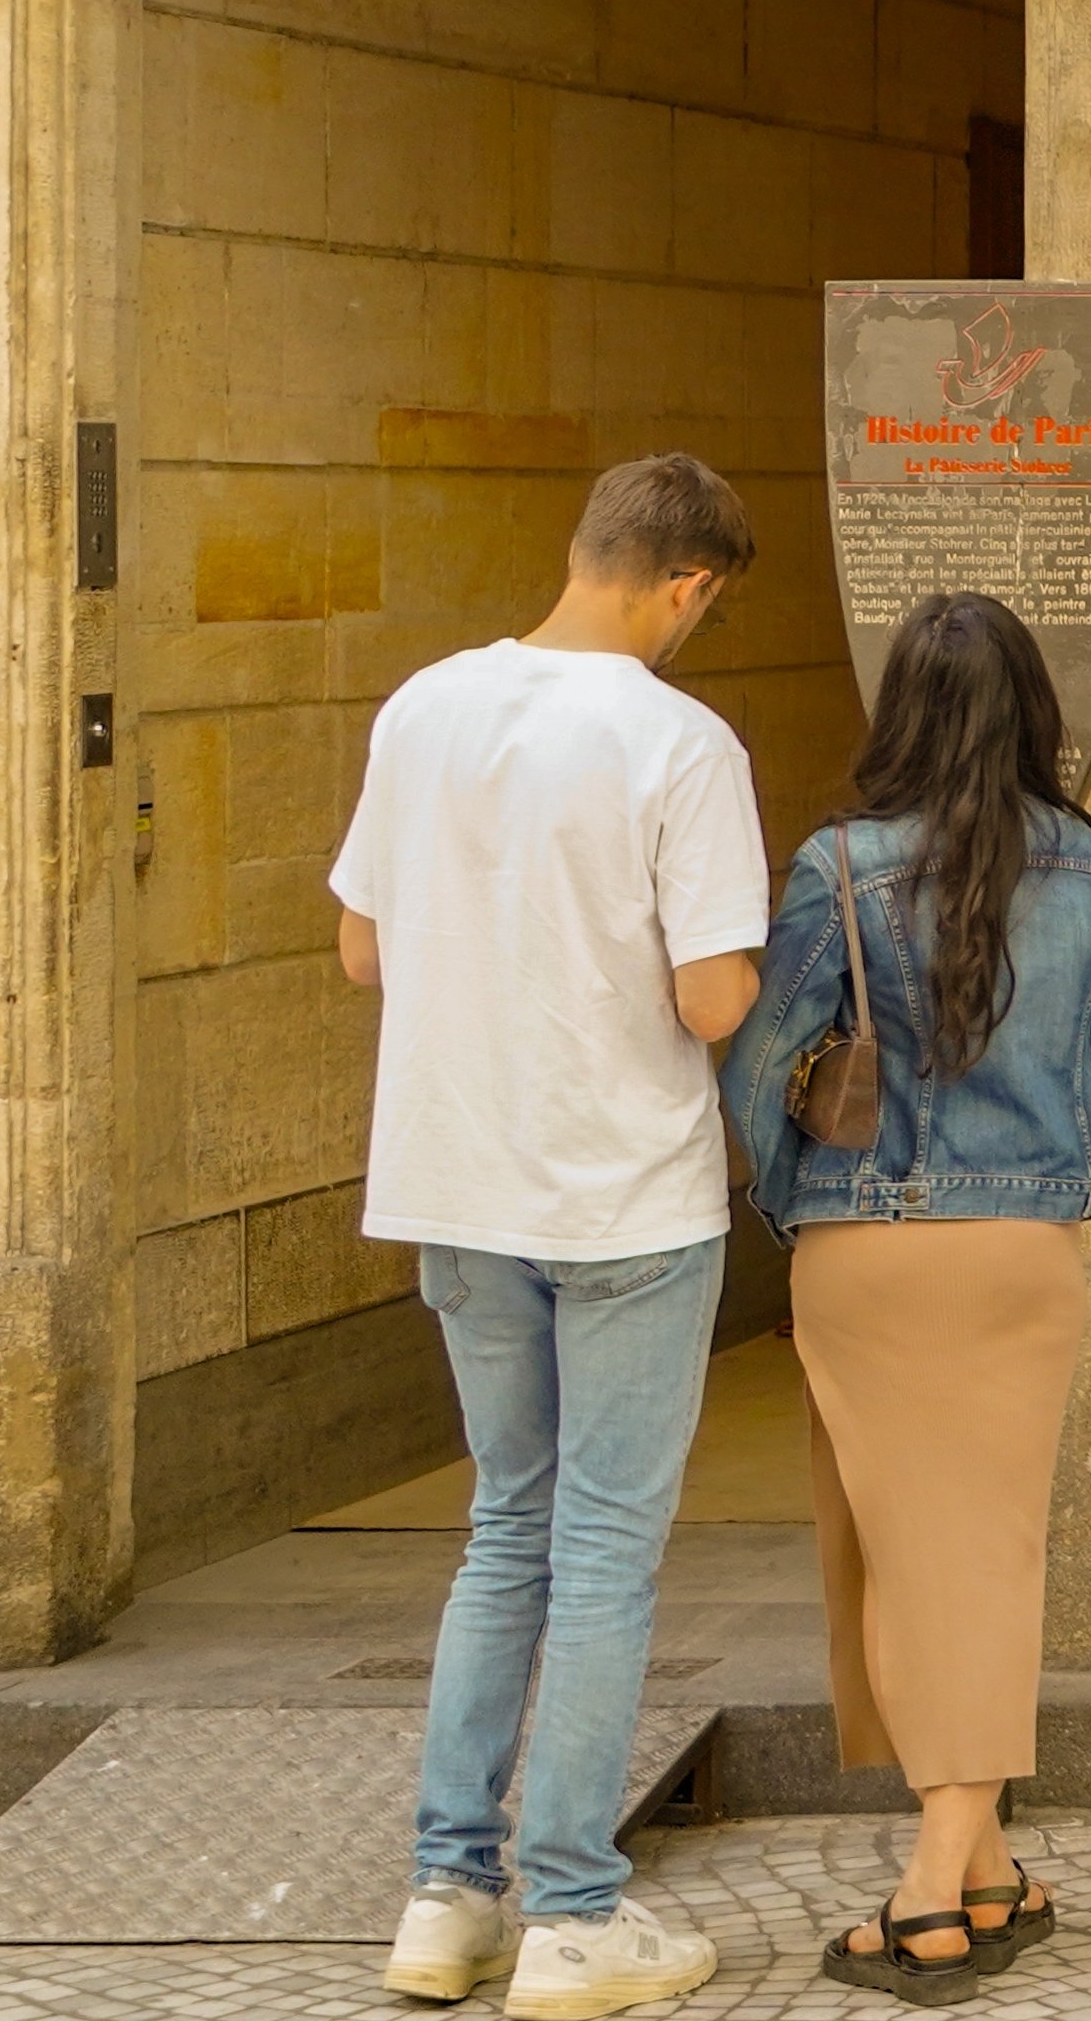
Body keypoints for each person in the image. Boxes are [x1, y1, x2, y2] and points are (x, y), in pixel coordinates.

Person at [334, 453, 774, 2021]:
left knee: (504, 1526)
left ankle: (447, 1897)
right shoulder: (680, 740)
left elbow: (360, 948)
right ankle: (576, 1915)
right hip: (624, 1193)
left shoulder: (423, 709)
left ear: (586, 550)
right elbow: (711, 1000)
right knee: (600, 1548)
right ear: (688, 586)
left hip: (456, 1179)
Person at [722, 595, 1091, 2006]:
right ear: (1034, 709)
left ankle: (928, 1888)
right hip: (1019, 1252)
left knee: (908, 1557)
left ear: (898, 709)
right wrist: (1023, 1172)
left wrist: (801, 1212)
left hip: (867, 1248)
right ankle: (984, 1870)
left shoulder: (837, 868)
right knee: (976, 1554)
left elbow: (763, 1066)